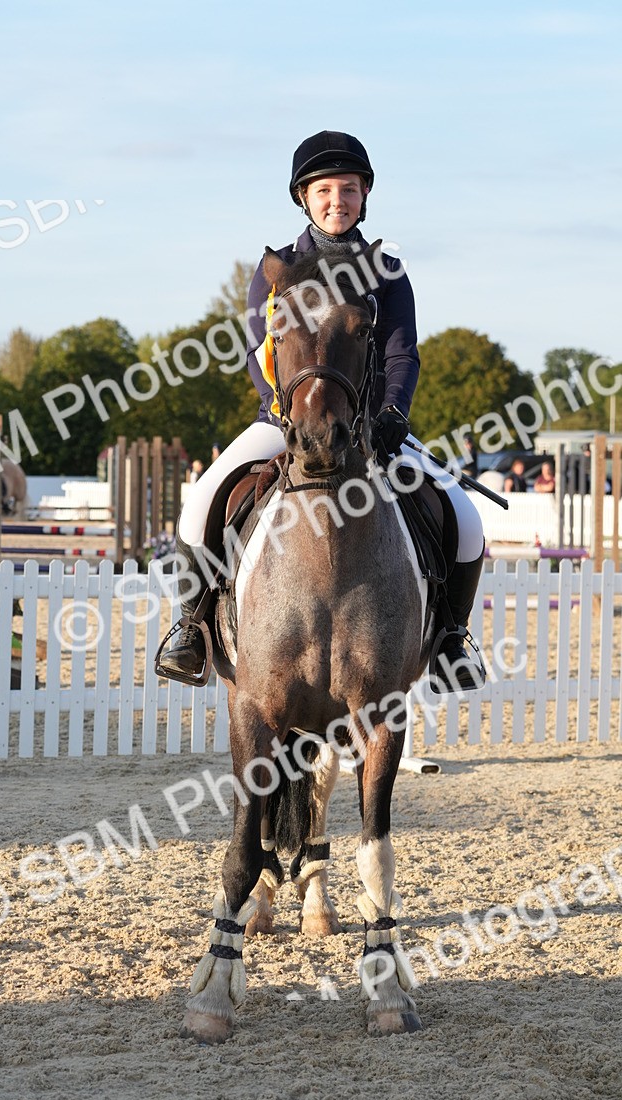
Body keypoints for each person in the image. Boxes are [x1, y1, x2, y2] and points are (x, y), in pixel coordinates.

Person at [158, 130, 485, 690]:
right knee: (201, 504)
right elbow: (261, 352)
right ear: (304, 197)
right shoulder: (276, 269)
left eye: (350, 189)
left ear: (365, 195)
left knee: (467, 519)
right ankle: (190, 629)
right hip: (286, 421)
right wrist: (285, 411)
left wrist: (393, 414)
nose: (339, 201)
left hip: (373, 428)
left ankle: (452, 638)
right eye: (326, 190)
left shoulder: (386, 269)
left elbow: (402, 353)